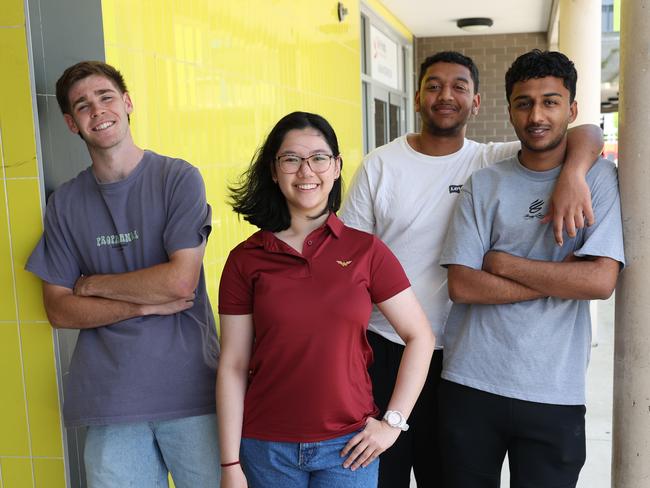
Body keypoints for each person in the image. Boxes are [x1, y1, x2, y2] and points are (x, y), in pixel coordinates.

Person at [339, 50, 604, 487]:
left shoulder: (488, 162)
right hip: (386, 346)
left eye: (459, 87)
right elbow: (347, 263)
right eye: (434, 86)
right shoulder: (381, 166)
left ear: (476, 103)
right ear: (418, 98)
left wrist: (574, 173)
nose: (446, 95)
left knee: (444, 476)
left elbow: (585, 132)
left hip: (459, 357)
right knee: (376, 472)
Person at [25, 61, 220, 487]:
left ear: (127, 103)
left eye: (106, 97)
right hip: (110, 403)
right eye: (83, 105)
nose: (97, 110)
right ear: (71, 124)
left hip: (192, 393)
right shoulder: (66, 204)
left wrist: (93, 285)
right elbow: (59, 309)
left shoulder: (178, 179)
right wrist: (146, 308)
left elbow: (179, 282)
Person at [216, 111, 435, 488]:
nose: (306, 172)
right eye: (291, 159)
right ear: (273, 170)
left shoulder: (366, 251)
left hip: (349, 448)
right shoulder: (245, 260)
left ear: (335, 168)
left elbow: (420, 336)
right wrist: (229, 463)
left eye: (318, 158)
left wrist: (392, 424)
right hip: (267, 449)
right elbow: (233, 365)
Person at [438, 49, 625, 487]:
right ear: (510, 111)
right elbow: (462, 284)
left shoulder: (597, 179)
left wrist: (502, 263)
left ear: (571, 109)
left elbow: (599, 281)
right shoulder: (485, 183)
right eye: (524, 103)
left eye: (550, 101)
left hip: (553, 392)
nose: (536, 114)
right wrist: (563, 279)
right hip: (470, 383)